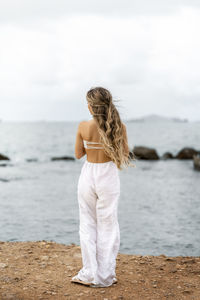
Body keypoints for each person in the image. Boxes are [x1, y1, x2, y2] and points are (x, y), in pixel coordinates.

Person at [71, 87, 136, 288]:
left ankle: (89, 273)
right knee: (108, 224)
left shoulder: (83, 126)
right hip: (108, 176)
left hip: (88, 175)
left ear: (91, 107)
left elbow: (78, 154)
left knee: (87, 223)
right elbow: (124, 154)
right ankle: (105, 276)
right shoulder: (120, 126)